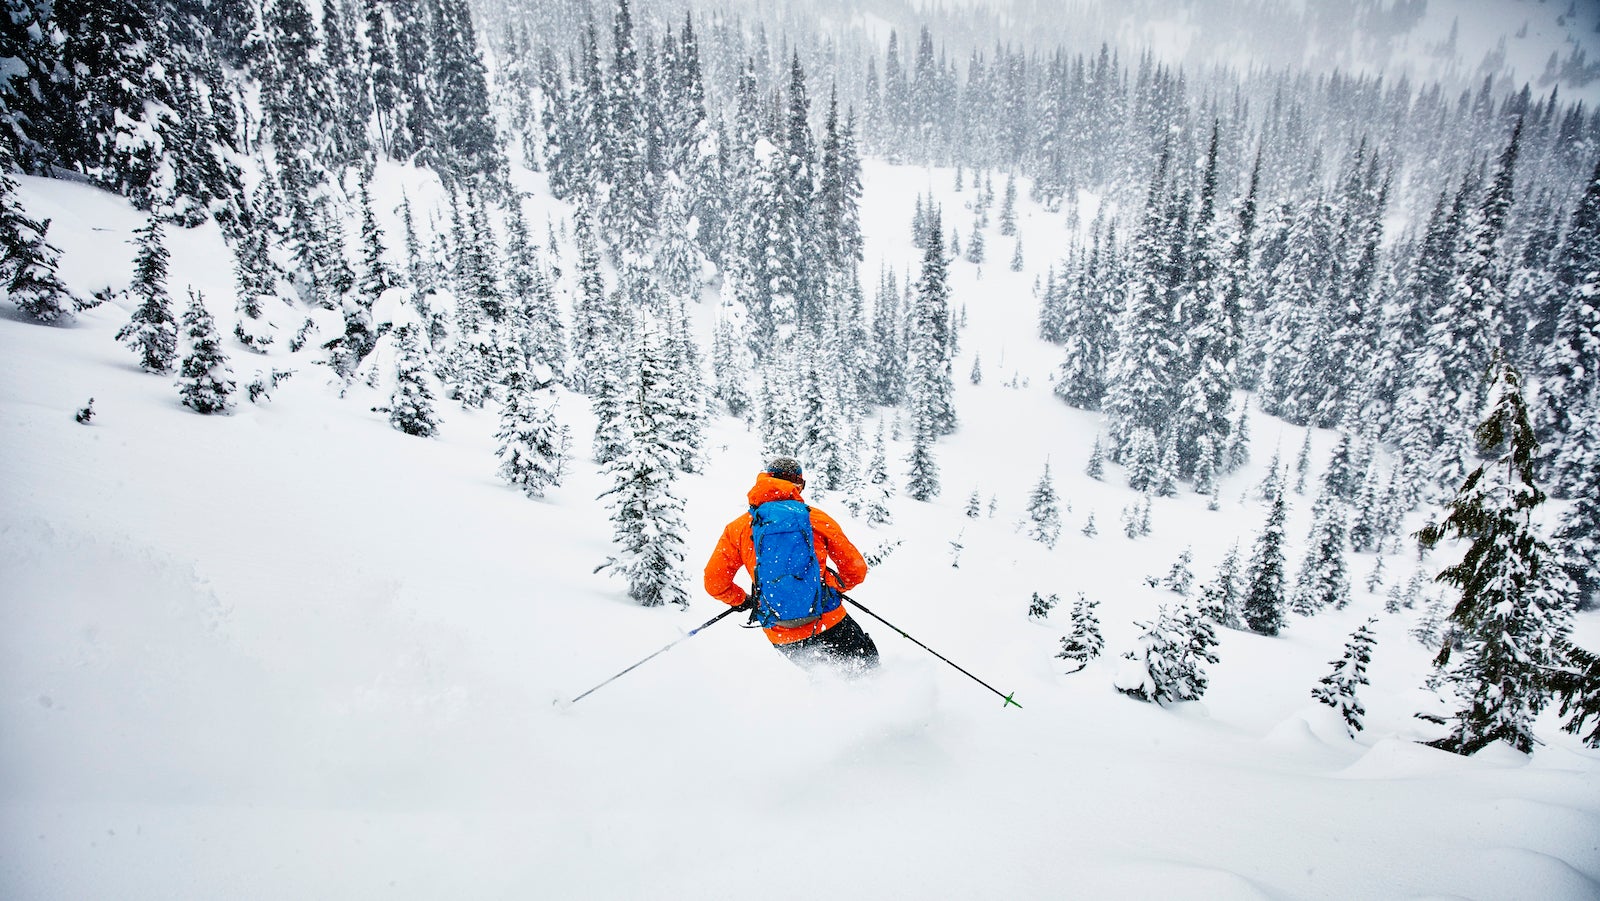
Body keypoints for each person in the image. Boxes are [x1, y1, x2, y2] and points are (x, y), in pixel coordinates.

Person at [703, 457, 879, 671]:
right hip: (828, 618)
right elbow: (856, 569)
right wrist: (831, 585)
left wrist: (744, 601)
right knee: (868, 672)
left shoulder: (739, 528)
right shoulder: (815, 518)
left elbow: (715, 582)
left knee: (828, 681)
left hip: (781, 632)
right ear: (798, 484)